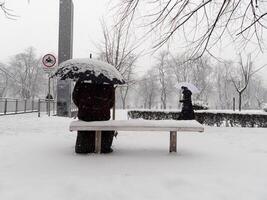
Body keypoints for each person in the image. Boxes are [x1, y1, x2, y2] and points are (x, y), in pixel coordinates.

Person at [72, 80, 115, 154]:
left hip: (85, 115)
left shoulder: (82, 81)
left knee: (85, 132)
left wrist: (83, 106)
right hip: (103, 116)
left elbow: (75, 97)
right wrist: (102, 107)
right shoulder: (108, 82)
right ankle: (103, 147)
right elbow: (111, 102)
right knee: (104, 128)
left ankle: (84, 146)